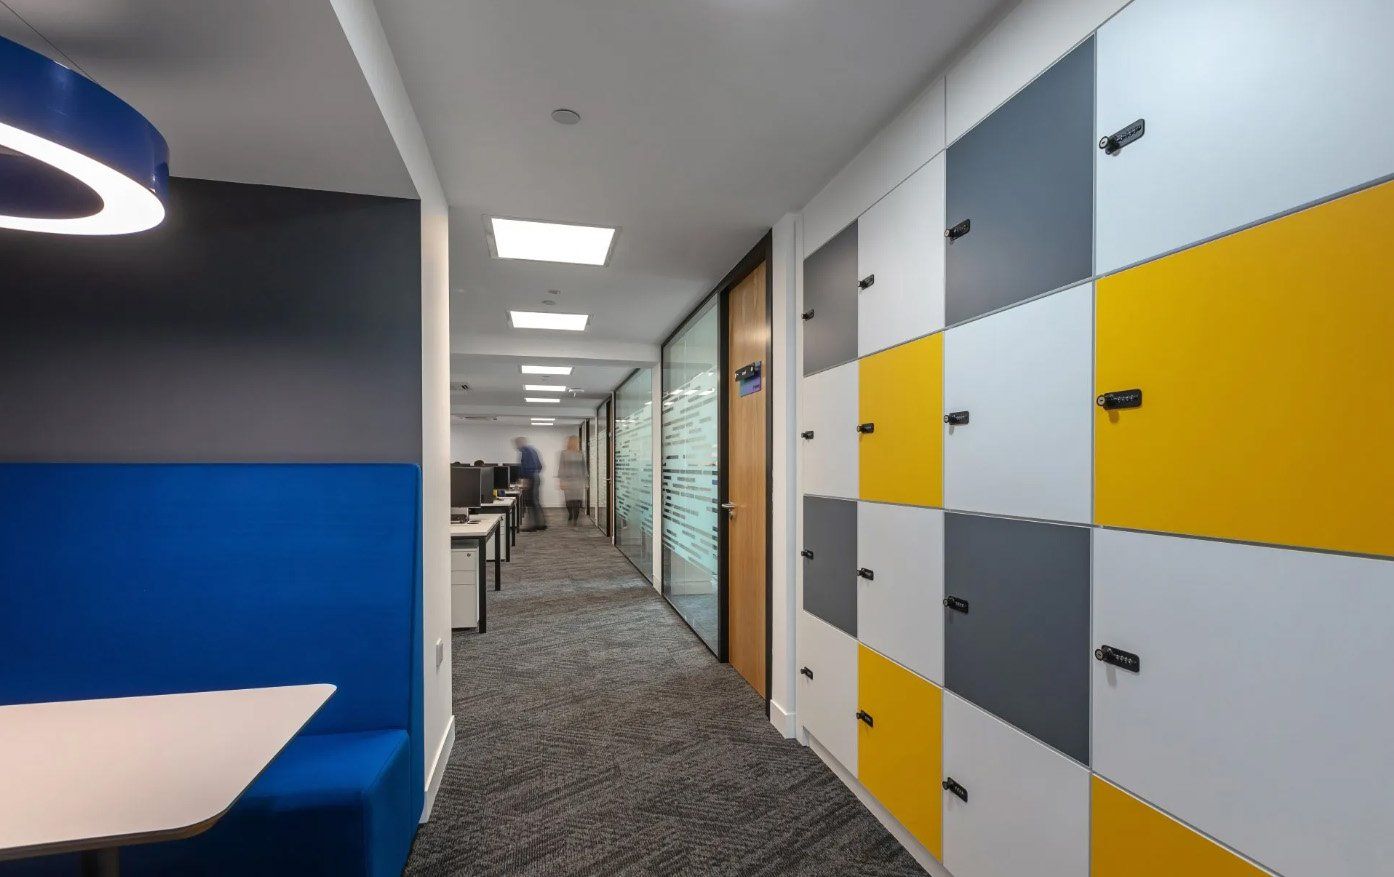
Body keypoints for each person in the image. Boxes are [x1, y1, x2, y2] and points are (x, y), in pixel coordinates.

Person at [514, 436, 547, 531]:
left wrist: (526, 480)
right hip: (535, 477)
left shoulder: (525, 451)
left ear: (521, 443)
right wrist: (535, 474)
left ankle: (532, 526)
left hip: (530, 478)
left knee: (531, 502)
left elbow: (528, 467)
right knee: (535, 501)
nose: (516, 446)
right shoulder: (533, 450)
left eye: (517, 444)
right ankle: (541, 524)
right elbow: (540, 466)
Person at [557, 435, 587, 526]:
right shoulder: (564, 453)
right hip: (568, 481)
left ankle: (575, 520)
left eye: (576, 441)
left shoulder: (580, 453)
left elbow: (584, 468)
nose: (575, 443)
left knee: (577, 501)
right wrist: (561, 481)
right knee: (569, 502)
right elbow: (561, 467)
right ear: (569, 442)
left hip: (578, 481)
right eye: (573, 441)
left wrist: (586, 482)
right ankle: (570, 514)